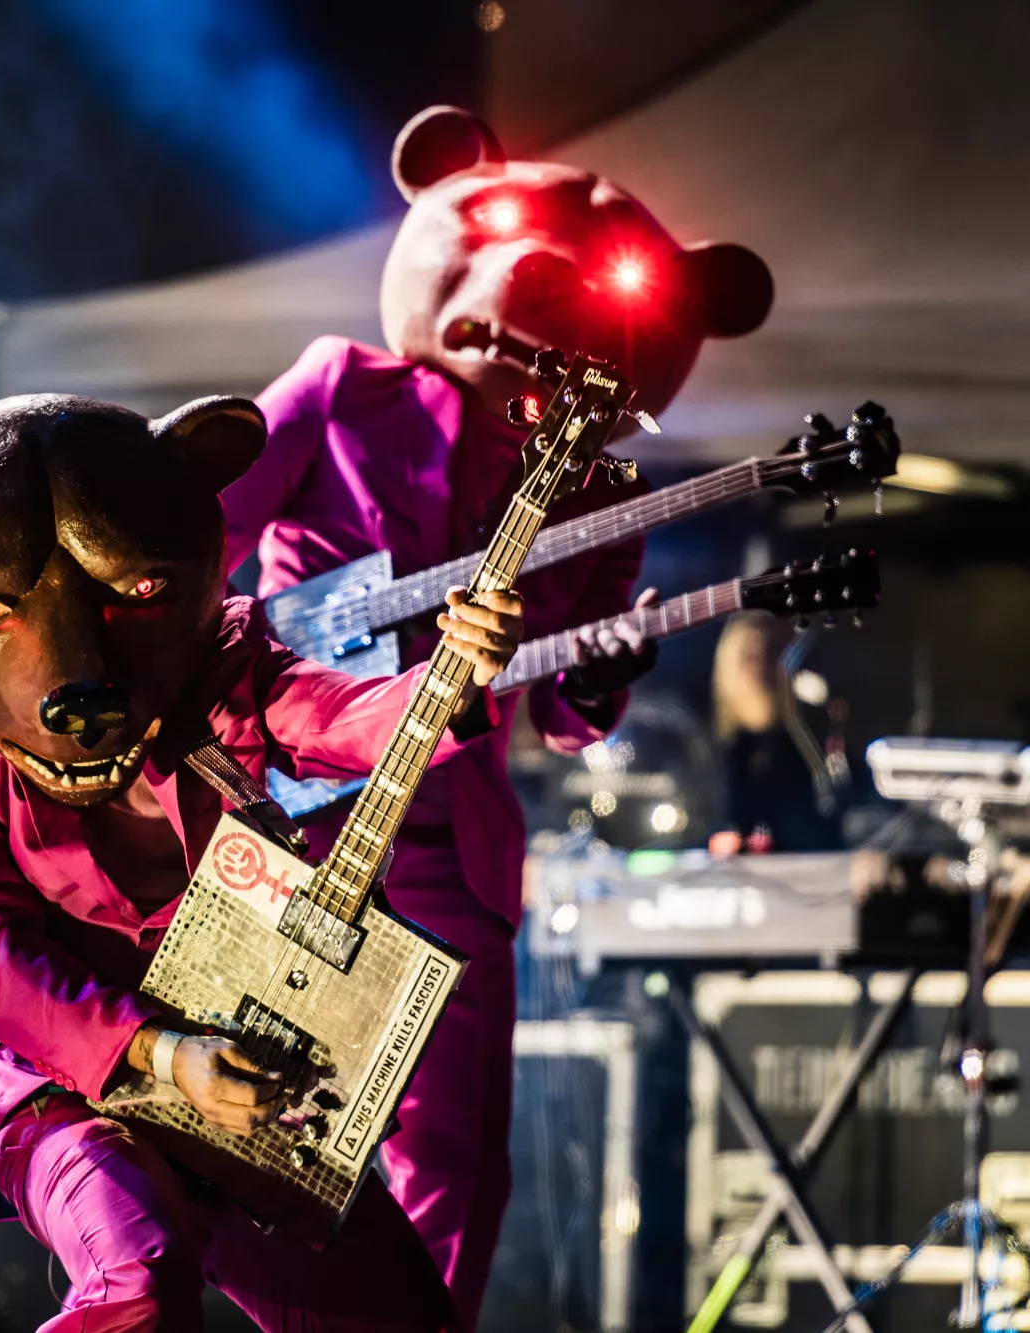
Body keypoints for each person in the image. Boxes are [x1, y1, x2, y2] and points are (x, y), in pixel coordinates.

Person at [215, 100, 772, 1320]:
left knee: (450, 1158)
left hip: (441, 839)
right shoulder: (338, 391)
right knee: (230, 1122)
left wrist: (585, 677)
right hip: (282, 814)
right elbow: (202, 536)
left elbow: (578, 719)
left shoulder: (598, 484)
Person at [0, 392, 523, 1331]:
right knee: (136, 1283)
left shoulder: (220, 652)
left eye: (137, 596)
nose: (80, 679)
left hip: (248, 1067)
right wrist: (156, 1052)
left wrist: (448, 685)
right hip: (69, 1083)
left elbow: (333, 714)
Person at [712, 612, 848, 851]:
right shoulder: (711, 748)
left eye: (773, 651)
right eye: (750, 657)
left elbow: (830, 820)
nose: (762, 665)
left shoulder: (809, 740)